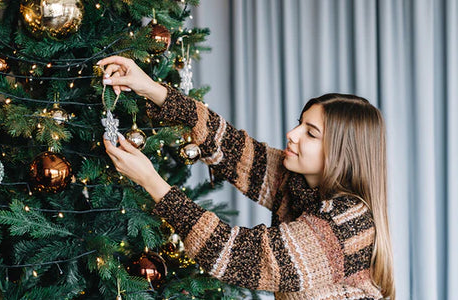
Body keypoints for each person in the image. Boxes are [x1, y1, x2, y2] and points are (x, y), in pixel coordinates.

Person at [98, 56, 395, 300]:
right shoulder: (301, 185)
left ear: (342, 152)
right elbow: (232, 149)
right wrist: (151, 89)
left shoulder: (345, 224)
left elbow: (243, 256)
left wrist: (152, 182)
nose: (292, 135)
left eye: (311, 133)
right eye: (299, 124)